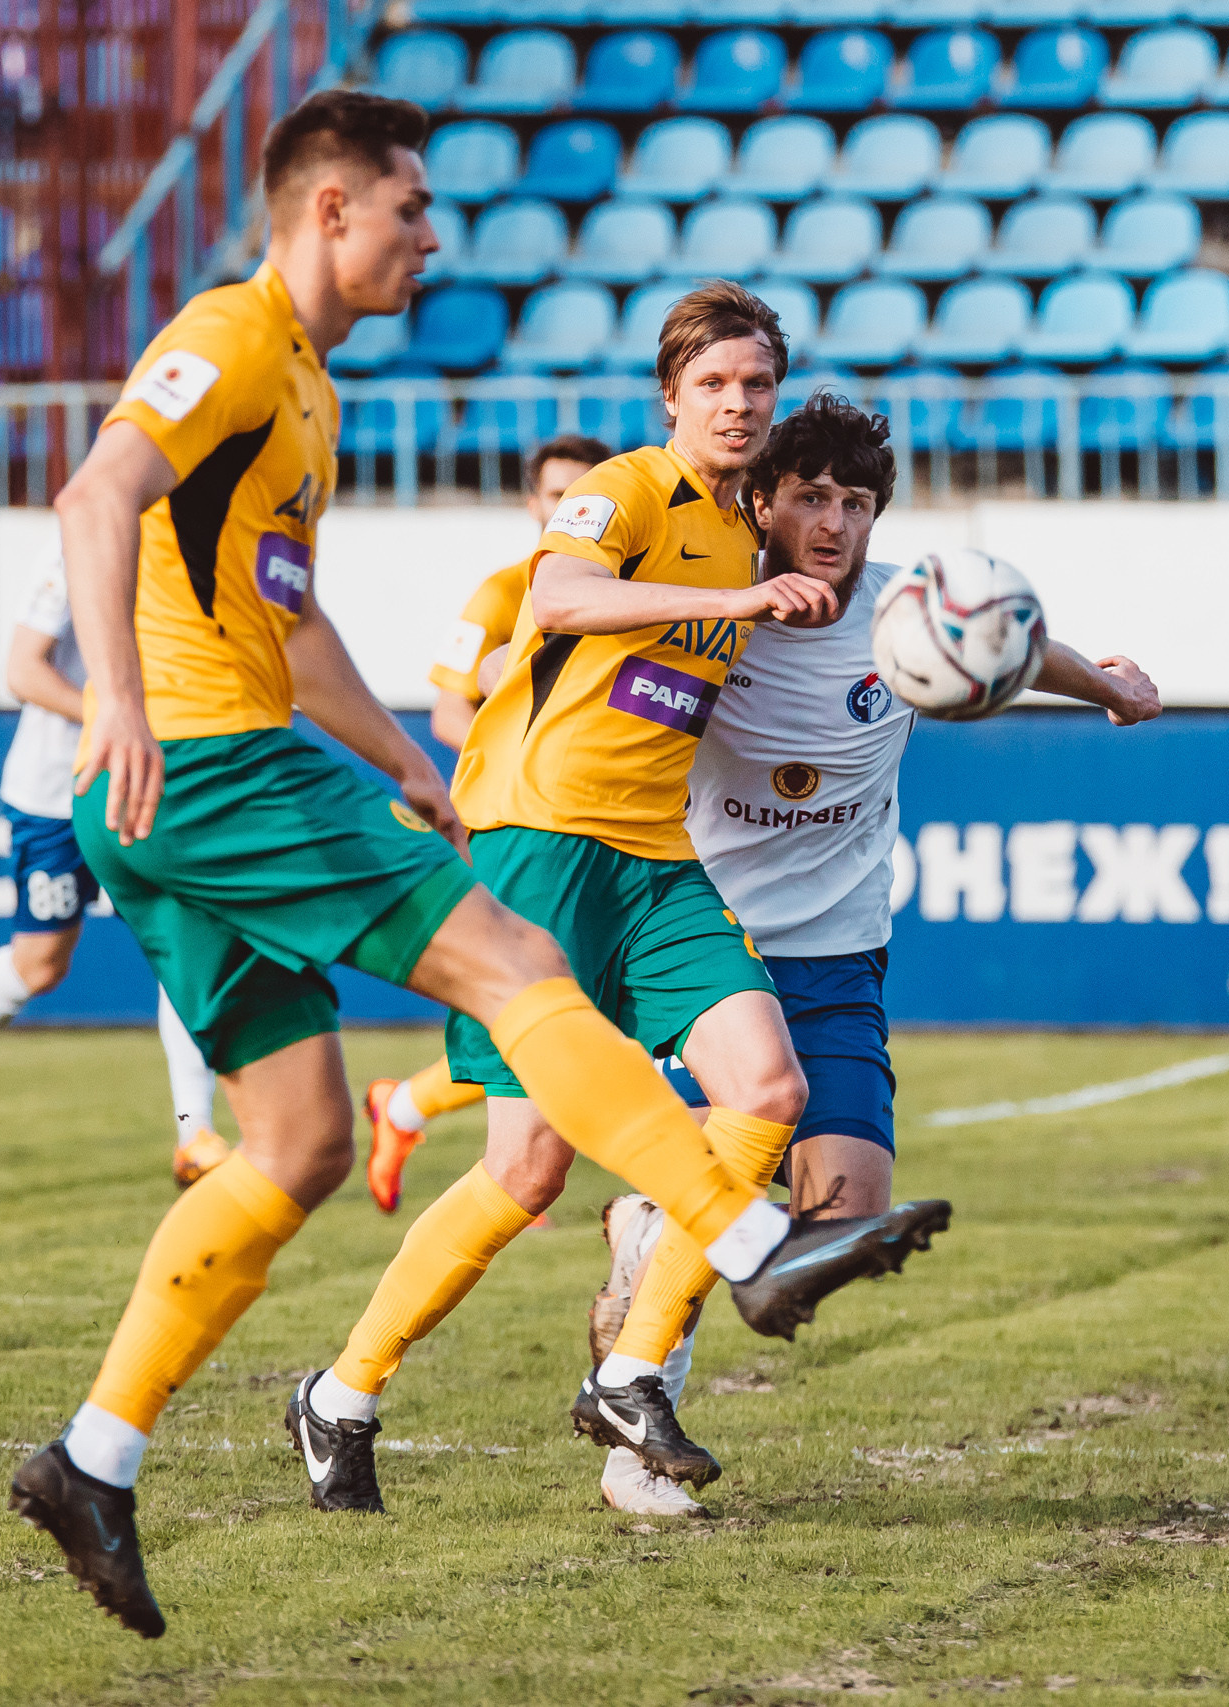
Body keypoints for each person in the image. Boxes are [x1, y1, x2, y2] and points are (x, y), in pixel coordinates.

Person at [10, 93, 936, 1641]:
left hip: (357, 781)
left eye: (757, 385)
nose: (434, 237)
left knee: (297, 1146)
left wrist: (396, 756)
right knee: (518, 994)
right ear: (329, 211)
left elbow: (290, 619)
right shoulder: (236, 337)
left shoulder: (310, 392)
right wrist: (113, 693)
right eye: (411, 209)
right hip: (217, 762)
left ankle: (94, 1457)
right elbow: (95, 493)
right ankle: (750, 1242)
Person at [286, 282, 952, 1523]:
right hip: (541, 846)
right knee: (524, 1171)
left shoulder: (753, 529)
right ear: (671, 398)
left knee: (767, 1090)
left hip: (657, 860)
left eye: (756, 385)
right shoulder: (638, 489)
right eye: (715, 385)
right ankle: (339, 1394)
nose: (739, 404)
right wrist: (737, 602)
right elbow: (557, 599)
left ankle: (636, 1371)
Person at [584, 392, 1164, 1515]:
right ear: (764, 501)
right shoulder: (716, 608)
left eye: (854, 501)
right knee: (727, 1208)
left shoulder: (906, 605)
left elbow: (1013, 644)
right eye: (810, 496)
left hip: (841, 959)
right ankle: (633, 1436)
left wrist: (1112, 691)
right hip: (714, 953)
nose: (834, 520)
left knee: (846, 1217)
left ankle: (651, 1225)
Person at [360, 432, 612, 1214]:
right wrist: (526, 756)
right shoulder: (505, 593)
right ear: (531, 503)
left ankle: (406, 1108)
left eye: (583, 495)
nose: (566, 506)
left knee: (565, 1008)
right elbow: (447, 710)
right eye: (555, 493)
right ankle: (504, 1156)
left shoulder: (627, 589)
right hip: (518, 821)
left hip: (600, 821)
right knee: (539, 1005)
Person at [0, 552, 230, 1189]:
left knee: (181, 946)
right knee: (42, 965)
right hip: (54, 794)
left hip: (140, 787)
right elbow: (22, 671)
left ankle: (194, 1132)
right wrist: (110, 717)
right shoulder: (76, 562)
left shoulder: (199, 557)